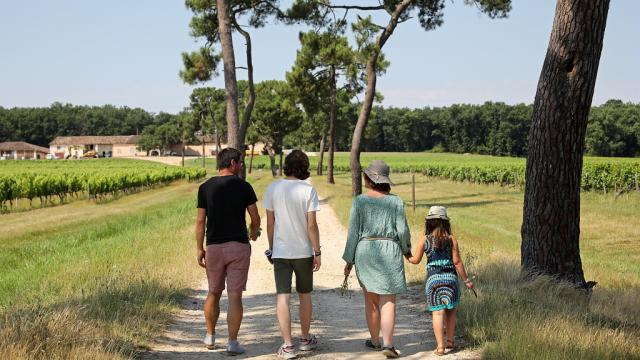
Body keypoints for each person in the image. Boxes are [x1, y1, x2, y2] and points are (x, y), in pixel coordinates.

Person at [342, 160, 411, 359]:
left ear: (368, 178)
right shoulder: (396, 201)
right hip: (389, 249)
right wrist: (406, 250)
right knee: (388, 299)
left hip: (365, 250)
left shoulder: (359, 201)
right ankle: (388, 344)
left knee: (371, 300)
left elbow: (353, 233)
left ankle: (374, 341)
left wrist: (349, 259)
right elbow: (403, 231)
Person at [195, 147, 261, 355]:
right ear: (232, 163)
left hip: (213, 247)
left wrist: (199, 248)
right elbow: (255, 218)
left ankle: (210, 336)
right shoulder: (244, 187)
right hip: (238, 247)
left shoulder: (205, 188)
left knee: (213, 292)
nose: (241, 166)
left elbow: (200, 222)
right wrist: (253, 233)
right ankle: (232, 343)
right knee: (234, 296)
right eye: (239, 162)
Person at [263, 150, 321, 359]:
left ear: (286, 165)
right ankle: (305, 339)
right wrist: (317, 251)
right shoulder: (308, 190)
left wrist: (271, 248)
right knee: (304, 295)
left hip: (281, 251)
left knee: (283, 296)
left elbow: (270, 224)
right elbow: (312, 225)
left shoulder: (273, 188)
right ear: (304, 167)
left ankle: (287, 346)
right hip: (303, 252)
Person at [407, 206, 474, 356]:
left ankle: (440, 347)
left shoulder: (425, 240)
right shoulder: (451, 239)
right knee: (451, 312)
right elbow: (457, 262)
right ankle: (450, 341)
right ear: (445, 223)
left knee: (437, 314)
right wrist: (467, 280)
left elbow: (415, 260)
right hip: (451, 280)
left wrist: (406, 254)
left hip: (433, 282)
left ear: (429, 223)